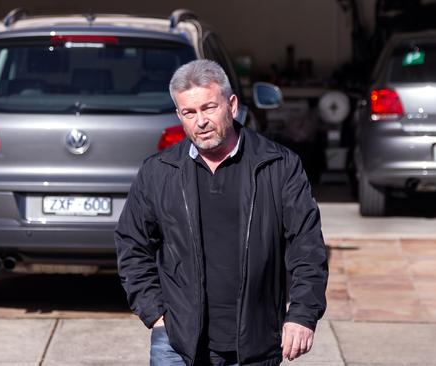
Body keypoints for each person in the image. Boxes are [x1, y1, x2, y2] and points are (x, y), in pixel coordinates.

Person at [115, 59, 328, 366]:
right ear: (179, 115)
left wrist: (302, 314)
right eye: (189, 112)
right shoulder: (159, 172)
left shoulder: (278, 166)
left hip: (256, 343)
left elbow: (307, 247)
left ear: (231, 105)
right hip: (177, 344)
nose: (200, 121)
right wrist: (155, 313)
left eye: (208, 107)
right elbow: (131, 244)